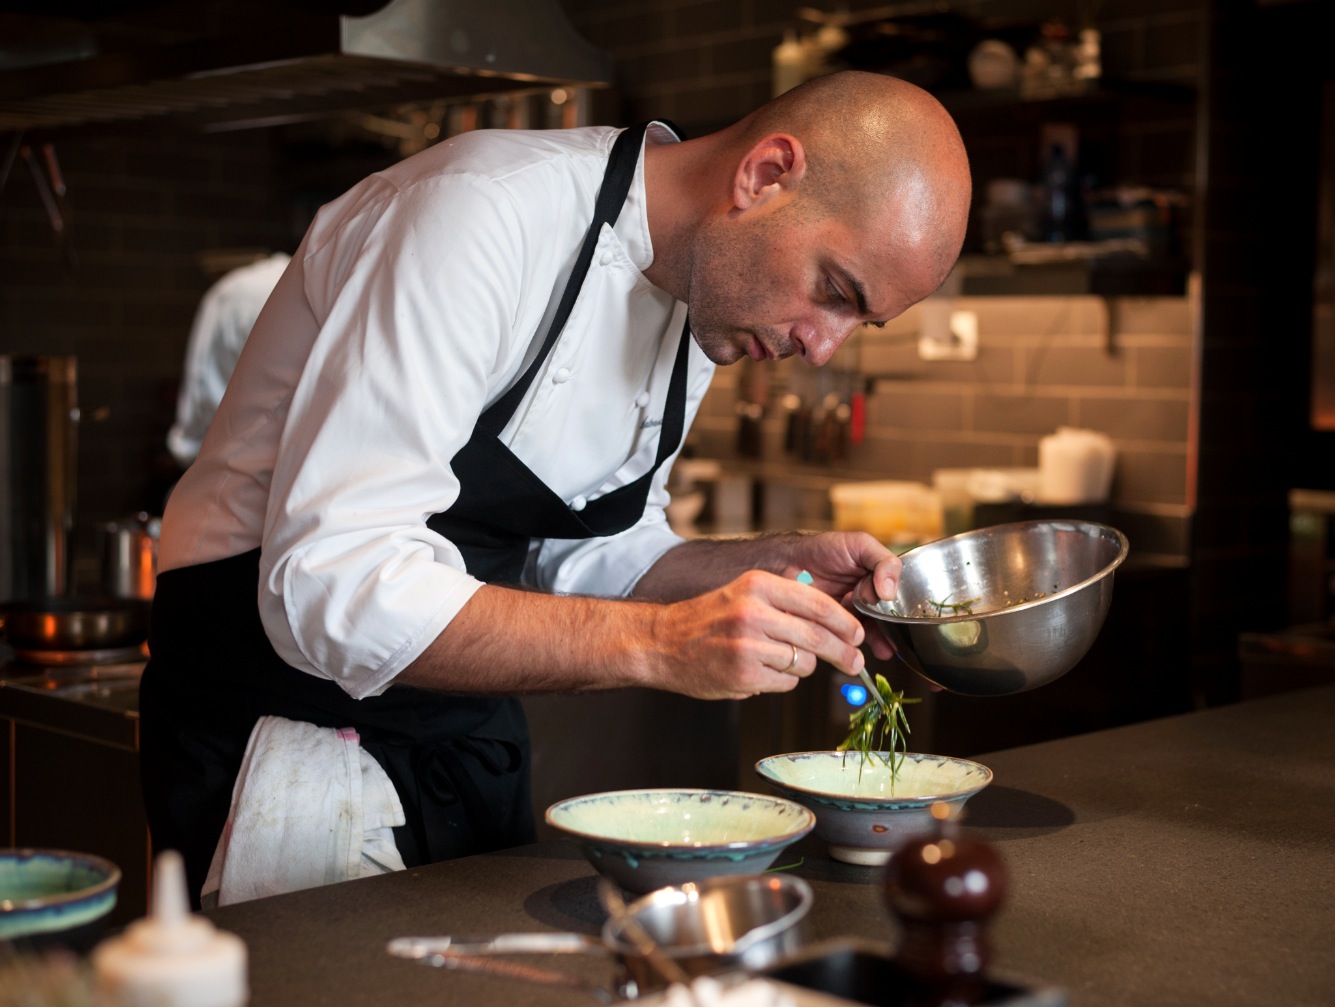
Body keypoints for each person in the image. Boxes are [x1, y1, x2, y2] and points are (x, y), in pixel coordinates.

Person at [141, 69, 972, 905]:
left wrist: (775, 566)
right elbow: (336, 584)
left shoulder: (708, 297)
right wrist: (661, 644)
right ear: (764, 176)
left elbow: (587, 550)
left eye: (857, 322)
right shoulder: (478, 214)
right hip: (279, 730)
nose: (822, 347)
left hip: (463, 731)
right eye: (835, 291)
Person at [166, 252, 290, 468]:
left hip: (233, 472)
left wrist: (185, 448)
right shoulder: (332, 291)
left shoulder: (232, 294)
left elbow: (200, 397)